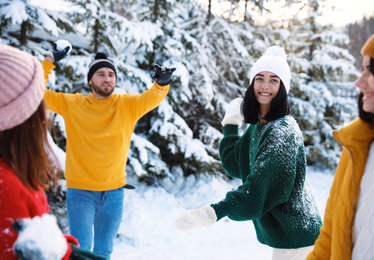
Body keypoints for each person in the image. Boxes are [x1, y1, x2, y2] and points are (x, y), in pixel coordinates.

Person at [175, 46, 322, 260]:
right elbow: (236, 165)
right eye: (260, 78)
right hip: (289, 237)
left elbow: (258, 190)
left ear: (283, 88)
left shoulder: (283, 131)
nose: (265, 86)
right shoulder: (259, 126)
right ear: (252, 83)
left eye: (274, 80)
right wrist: (230, 126)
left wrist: (213, 212)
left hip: (300, 237)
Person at [42, 40, 175, 258]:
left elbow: (152, 98)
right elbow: (39, 92)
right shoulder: (73, 104)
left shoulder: (126, 105)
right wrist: (49, 61)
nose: (107, 78)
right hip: (81, 192)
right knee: (81, 251)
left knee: (104, 250)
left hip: (114, 192)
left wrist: (162, 84)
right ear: (90, 80)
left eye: (111, 74)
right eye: (101, 74)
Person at [0, 45, 105, 259]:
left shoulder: (122, 104)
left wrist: (64, 250)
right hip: (81, 186)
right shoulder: (9, 187)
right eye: (39, 106)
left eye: (111, 74)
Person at [307, 25, 374, 260]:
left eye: (370, 72)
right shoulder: (357, 145)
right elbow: (331, 235)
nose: (359, 82)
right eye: (362, 70)